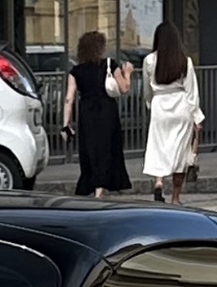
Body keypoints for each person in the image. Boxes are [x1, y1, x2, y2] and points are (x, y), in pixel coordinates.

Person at [142, 18, 203, 206]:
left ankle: (159, 181)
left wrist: (150, 104)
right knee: (180, 152)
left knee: (158, 147)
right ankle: (176, 197)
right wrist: (196, 116)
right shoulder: (184, 61)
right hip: (180, 105)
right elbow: (191, 90)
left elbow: (147, 89)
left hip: (160, 105)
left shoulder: (150, 60)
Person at [65, 25, 128, 199]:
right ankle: (103, 185)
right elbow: (124, 88)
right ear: (99, 48)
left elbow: (69, 98)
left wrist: (66, 124)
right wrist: (127, 73)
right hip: (107, 109)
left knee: (90, 148)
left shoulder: (76, 71)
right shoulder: (109, 64)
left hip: (87, 111)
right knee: (108, 147)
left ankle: (92, 183)